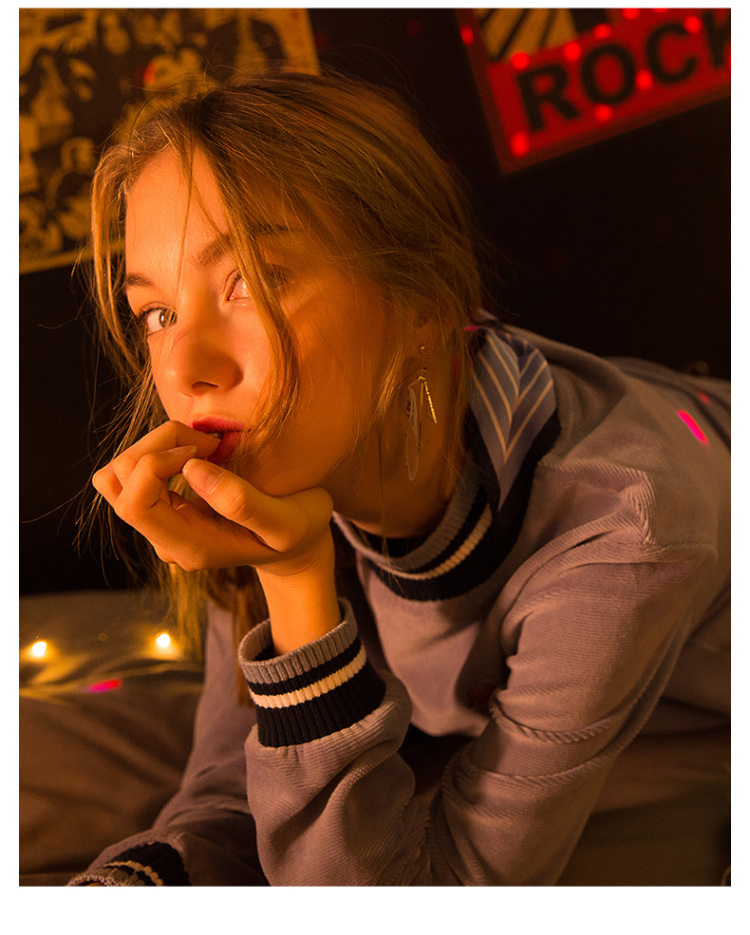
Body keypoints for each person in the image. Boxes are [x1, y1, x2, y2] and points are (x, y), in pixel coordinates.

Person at [68, 72, 730, 886]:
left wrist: (294, 577)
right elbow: (238, 773)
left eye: (254, 281)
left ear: (420, 301)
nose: (185, 368)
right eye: (159, 313)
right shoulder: (295, 442)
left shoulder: (621, 541)